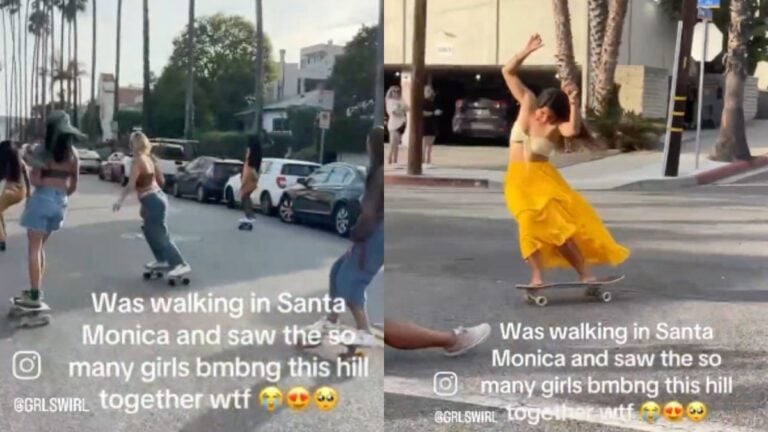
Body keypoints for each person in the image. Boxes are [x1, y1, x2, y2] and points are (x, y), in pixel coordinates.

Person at [501, 34, 629, 286]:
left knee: (559, 232)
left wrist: (573, 100)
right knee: (528, 226)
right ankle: (537, 277)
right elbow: (508, 71)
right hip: (517, 181)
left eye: (549, 116)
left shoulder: (556, 127)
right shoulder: (527, 103)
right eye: (542, 112)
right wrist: (526, 50)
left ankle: (585, 275)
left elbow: (572, 129)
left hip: (544, 183)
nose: (542, 118)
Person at [304, 127, 386, 347]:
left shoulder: (379, 175)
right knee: (338, 270)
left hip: (375, 234)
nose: (366, 145)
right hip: (375, 232)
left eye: (368, 141)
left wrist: (356, 236)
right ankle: (332, 319)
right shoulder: (378, 171)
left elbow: (369, 213)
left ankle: (364, 331)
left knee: (351, 281)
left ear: (373, 145)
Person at [14, 112, 82, 308]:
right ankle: (37, 290)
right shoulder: (74, 154)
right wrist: (60, 193)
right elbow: (73, 184)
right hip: (61, 203)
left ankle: (34, 295)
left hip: (42, 199)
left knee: (34, 249)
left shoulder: (44, 151)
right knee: (41, 247)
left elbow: (36, 180)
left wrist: (36, 177)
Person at [113, 132, 190, 278]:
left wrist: (120, 200)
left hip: (153, 200)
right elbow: (157, 181)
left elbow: (131, 185)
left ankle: (180, 264)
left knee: (159, 233)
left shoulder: (137, 160)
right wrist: (144, 205)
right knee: (148, 230)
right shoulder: (148, 159)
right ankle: (161, 259)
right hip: (155, 197)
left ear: (133, 144)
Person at [0, 141, 30, 252]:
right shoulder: (18, 159)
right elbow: (26, 174)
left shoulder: (5, 163)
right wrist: (29, 193)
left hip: (10, 191)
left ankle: (1, 240)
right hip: (21, 191)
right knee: (0, 210)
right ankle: (2, 232)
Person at [239, 134, 262, 223]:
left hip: (249, 177)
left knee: (244, 196)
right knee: (246, 196)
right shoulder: (258, 154)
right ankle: (250, 216)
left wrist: (254, 178)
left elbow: (251, 167)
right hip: (250, 177)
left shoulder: (251, 154)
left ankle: (249, 216)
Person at [386, 85, 407, 165]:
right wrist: (401, 110)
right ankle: (390, 158)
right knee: (392, 143)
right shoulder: (390, 101)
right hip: (394, 123)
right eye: (394, 91)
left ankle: (395, 159)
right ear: (391, 92)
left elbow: (407, 108)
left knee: (397, 143)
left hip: (402, 123)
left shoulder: (401, 100)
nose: (397, 93)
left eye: (398, 91)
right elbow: (394, 112)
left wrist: (402, 109)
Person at [422, 85, 441, 167]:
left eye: (430, 91)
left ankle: (428, 160)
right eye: (427, 91)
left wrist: (438, 112)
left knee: (430, 144)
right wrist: (433, 113)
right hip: (425, 123)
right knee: (424, 143)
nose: (429, 92)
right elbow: (422, 113)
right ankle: (422, 160)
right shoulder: (422, 101)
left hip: (433, 123)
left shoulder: (434, 101)